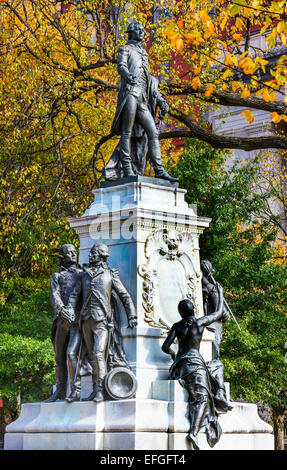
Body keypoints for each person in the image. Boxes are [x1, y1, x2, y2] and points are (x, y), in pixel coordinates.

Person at [161, 285, 232, 450]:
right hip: (194, 365)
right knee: (202, 397)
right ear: (193, 311)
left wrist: (174, 355)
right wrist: (220, 292)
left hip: (178, 367)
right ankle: (193, 432)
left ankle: (220, 394)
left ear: (180, 313)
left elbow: (165, 347)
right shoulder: (200, 323)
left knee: (214, 368)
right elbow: (219, 312)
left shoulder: (177, 326)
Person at [108, 21, 177, 182]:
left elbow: (150, 82)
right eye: (137, 29)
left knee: (153, 132)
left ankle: (159, 170)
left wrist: (160, 100)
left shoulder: (143, 54)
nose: (141, 32)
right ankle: (127, 168)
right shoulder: (125, 49)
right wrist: (127, 75)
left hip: (143, 99)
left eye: (142, 30)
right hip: (131, 94)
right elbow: (121, 66)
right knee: (127, 132)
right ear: (130, 32)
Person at [67, 243, 137, 403]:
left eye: (93, 253)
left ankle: (100, 391)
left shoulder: (110, 274)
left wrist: (131, 315)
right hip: (85, 320)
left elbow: (124, 296)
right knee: (92, 356)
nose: (90, 255)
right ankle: (93, 389)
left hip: (102, 321)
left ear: (101, 255)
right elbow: (74, 295)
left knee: (99, 354)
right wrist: (70, 308)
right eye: (90, 252)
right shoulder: (83, 275)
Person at [46, 244, 82, 403]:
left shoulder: (83, 273)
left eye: (75, 252)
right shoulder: (57, 276)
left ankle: (75, 390)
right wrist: (61, 310)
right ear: (62, 257)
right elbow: (55, 296)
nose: (74, 254)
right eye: (70, 253)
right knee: (59, 357)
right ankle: (59, 391)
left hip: (78, 321)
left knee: (71, 354)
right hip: (61, 321)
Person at [201, 260, 230, 360]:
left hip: (200, 324)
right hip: (212, 326)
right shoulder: (211, 288)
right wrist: (227, 315)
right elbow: (220, 311)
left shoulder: (197, 284)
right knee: (214, 357)